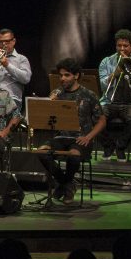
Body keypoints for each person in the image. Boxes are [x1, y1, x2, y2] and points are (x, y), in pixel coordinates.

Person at [38, 58, 106, 204]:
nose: (62, 78)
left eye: (67, 75)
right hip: (60, 137)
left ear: (76, 76)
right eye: (61, 75)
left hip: (82, 139)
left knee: (73, 155)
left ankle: (63, 186)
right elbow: (45, 116)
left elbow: (101, 120)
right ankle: (67, 184)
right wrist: (50, 104)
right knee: (41, 152)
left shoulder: (89, 95)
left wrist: (89, 137)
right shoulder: (57, 93)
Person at [98, 29, 131, 161]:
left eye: (125, 46)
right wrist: (115, 73)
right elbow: (102, 85)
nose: (122, 49)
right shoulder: (106, 62)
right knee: (93, 115)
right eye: (119, 46)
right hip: (109, 102)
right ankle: (108, 145)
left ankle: (120, 147)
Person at [0, 28, 32, 110]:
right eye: (0, 42)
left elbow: (26, 79)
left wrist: (7, 65)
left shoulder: (22, 59)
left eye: (7, 41)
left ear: (14, 41)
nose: (4, 44)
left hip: (12, 99)